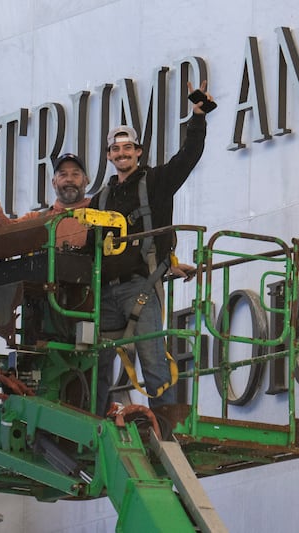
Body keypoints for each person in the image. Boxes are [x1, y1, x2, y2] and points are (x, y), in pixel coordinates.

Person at [92, 81, 213, 415]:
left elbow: (188, 157)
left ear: (138, 151)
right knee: (96, 362)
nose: (122, 154)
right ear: (108, 156)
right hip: (106, 292)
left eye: (127, 148)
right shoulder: (100, 199)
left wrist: (199, 115)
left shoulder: (156, 182)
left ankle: (165, 422)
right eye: (116, 151)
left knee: (152, 356)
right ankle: (97, 416)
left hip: (140, 286)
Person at [0, 153, 92, 247]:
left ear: (86, 181)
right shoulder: (36, 219)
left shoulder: (100, 212)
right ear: (54, 183)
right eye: (63, 175)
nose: (69, 179)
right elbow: (0, 236)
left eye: (75, 174)